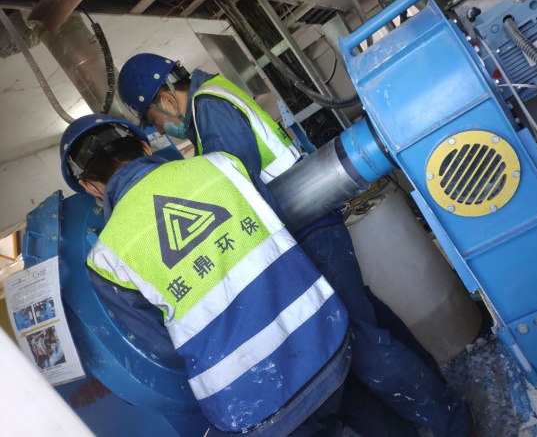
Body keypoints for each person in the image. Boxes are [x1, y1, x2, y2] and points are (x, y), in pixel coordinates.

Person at [118, 53, 470, 436]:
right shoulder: (214, 93)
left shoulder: (209, 109)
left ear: (166, 99)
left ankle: (450, 421)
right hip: (312, 222)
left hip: (305, 230)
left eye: (155, 121)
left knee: (359, 339)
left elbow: (237, 190)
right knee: (369, 318)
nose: (164, 130)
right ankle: (439, 397)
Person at [60, 114, 351, 436]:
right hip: (326, 339)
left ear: (89, 186)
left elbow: (164, 347)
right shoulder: (221, 165)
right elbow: (278, 227)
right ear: (145, 147)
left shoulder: (105, 259)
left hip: (250, 399)